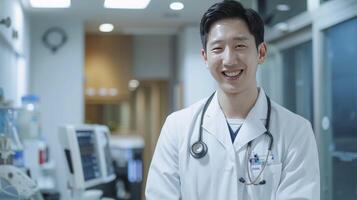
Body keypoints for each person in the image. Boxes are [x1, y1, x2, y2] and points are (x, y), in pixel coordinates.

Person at [145, 0, 320, 199]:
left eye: (240, 45)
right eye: (218, 48)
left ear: (261, 52)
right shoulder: (177, 127)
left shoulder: (296, 131)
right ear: (205, 57)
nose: (229, 60)